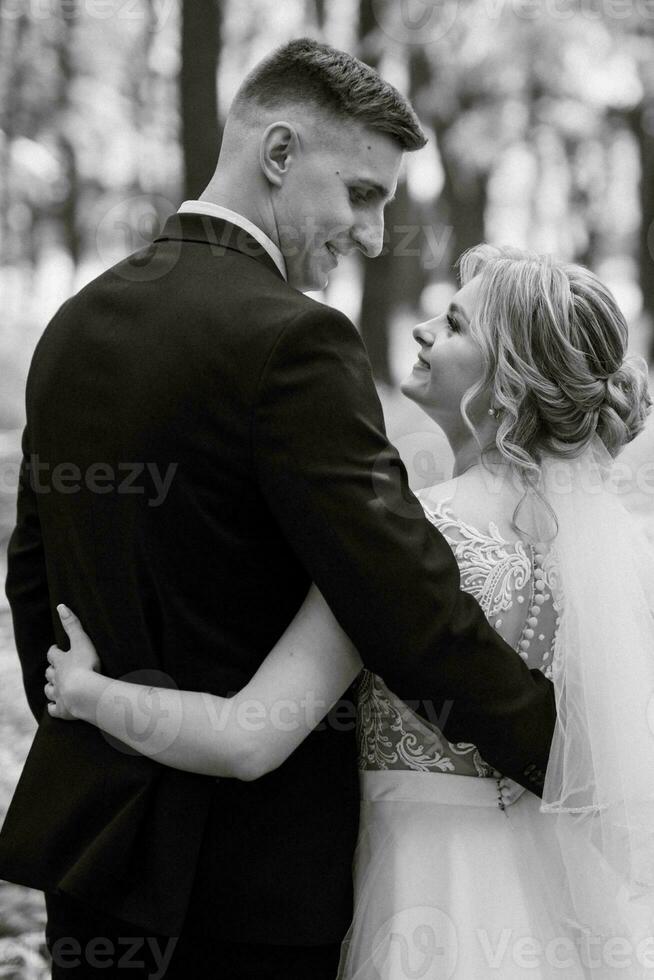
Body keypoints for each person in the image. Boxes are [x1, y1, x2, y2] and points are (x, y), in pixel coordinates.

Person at [0, 38, 555, 979]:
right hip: (248, 893)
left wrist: (100, 736)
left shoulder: (76, 322)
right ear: (280, 153)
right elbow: (405, 601)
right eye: (362, 194)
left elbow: (35, 582)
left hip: (91, 866)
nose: (374, 235)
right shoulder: (295, 341)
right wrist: (567, 753)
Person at [46, 245, 654, 978]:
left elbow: (249, 738)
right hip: (551, 912)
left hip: (415, 901)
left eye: (455, 325)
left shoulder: (404, 537)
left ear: (508, 387)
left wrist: (90, 693)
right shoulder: (607, 550)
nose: (424, 328)